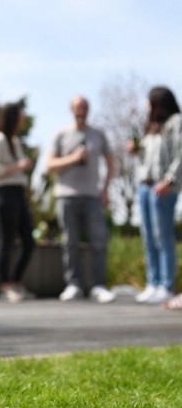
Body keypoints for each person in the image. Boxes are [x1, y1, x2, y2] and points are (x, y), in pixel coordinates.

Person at [46, 95, 115, 303]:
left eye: (84, 107)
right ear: (71, 110)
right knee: (70, 243)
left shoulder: (98, 134)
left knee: (99, 241)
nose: (81, 111)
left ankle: (98, 286)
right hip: (66, 196)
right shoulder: (61, 134)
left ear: (88, 110)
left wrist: (105, 190)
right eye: (77, 107)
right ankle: (73, 285)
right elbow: (49, 166)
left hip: (93, 196)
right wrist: (74, 158)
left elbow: (111, 163)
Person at [127, 86, 182, 306]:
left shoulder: (176, 122)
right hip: (146, 186)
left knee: (163, 237)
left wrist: (169, 180)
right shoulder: (152, 128)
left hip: (163, 187)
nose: (146, 106)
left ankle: (166, 286)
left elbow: (180, 153)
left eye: (148, 101)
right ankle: (153, 282)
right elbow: (149, 159)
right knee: (148, 237)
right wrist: (137, 151)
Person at [0, 102, 36, 302]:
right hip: (4, 193)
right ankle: (5, 286)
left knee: (29, 241)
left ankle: (15, 282)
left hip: (19, 193)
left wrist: (21, 167)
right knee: (7, 240)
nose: (23, 119)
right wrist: (17, 166)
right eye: (20, 116)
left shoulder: (15, 140)